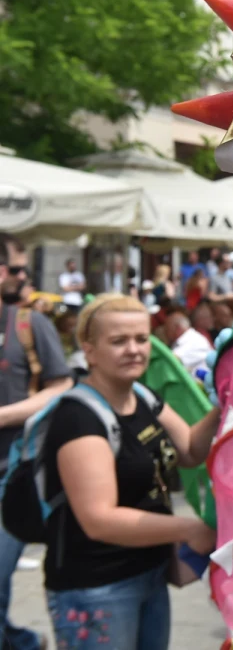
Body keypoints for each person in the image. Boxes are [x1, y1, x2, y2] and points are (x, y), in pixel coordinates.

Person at [42, 294, 219, 650]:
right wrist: (189, 528)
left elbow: (188, 450)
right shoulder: (78, 417)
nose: (134, 350)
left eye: (141, 339)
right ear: (89, 351)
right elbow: (99, 519)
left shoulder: (142, 395)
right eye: (118, 341)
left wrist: (226, 397)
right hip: (97, 590)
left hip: (149, 574)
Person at [0, 235, 72, 650]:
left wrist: (6, 416)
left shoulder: (28, 323)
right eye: (18, 269)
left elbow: (60, 384)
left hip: (10, 476)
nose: (25, 277)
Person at [162, 312, 214, 377]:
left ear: (178, 328)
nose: (165, 332)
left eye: (167, 328)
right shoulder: (177, 342)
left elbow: (171, 360)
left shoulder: (194, 339)